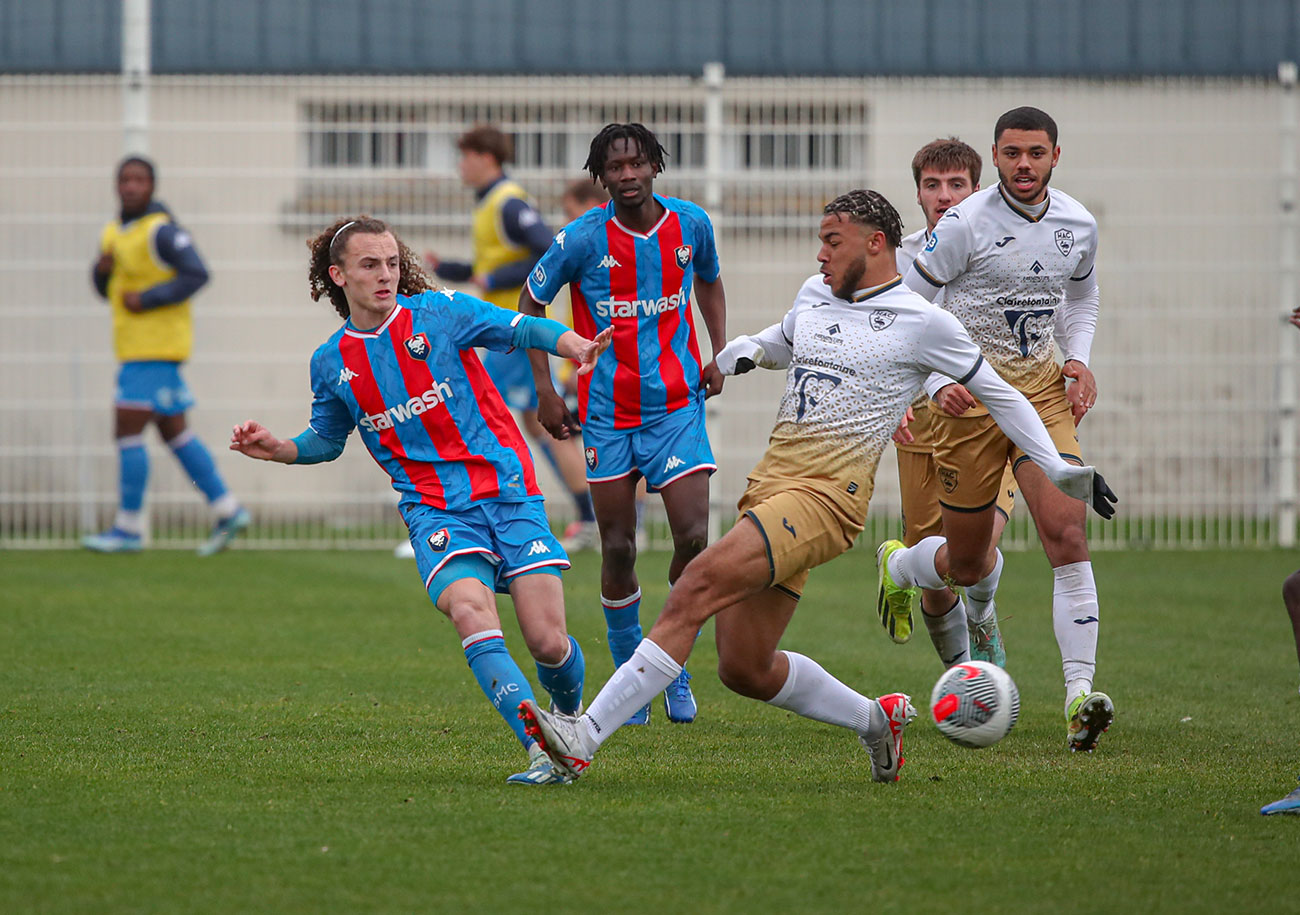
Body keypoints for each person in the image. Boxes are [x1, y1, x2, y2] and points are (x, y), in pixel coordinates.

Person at [516, 190, 1116, 783]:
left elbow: (1004, 396)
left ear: (876, 244)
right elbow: (783, 339)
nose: (821, 255)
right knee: (744, 667)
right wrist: (733, 356)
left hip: (827, 499)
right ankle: (875, 721)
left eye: (833, 241)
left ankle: (583, 736)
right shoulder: (815, 295)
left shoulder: (924, 322)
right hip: (771, 489)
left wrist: (1058, 467)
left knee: (695, 583)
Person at [229, 216, 611, 785]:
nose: (385, 275)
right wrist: (280, 448)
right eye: (368, 265)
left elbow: (520, 327)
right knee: (469, 611)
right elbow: (327, 439)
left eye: (390, 262)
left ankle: (567, 722)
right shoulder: (332, 363)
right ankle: (538, 748)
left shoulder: (438, 313)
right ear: (338, 277)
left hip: (506, 490)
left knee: (548, 641)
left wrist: (572, 342)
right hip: (434, 509)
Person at [887, 106, 1114, 752]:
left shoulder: (1078, 224)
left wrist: (1079, 359)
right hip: (970, 404)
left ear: (1055, 157)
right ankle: (902, 566)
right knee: (964, 563)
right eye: (1012, 153)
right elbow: (907, 307)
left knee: (1067, 528)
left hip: (1040, 395)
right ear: (996, 155)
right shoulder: (963, 226)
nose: (1023, 165)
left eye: (1035, 154)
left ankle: (1079, 696)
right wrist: (933, 384)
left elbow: (1082, 295)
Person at [517, 124, 728, 725]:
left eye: (637, 163)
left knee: (692, 535)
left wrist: (716, 350)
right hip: (606, 416)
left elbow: (709, 280)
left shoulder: (690, 225)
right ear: (601, 177)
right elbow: (531, 307)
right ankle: (628, 671)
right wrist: (544, 390)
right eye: (615, 168)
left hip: (675, 406)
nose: (628, 175)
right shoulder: (580, 240)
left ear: (655, 166)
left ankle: (672, 662)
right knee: (618, 544)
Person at [424, 125, 598, 554]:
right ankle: (592, 517)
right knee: (541, 428)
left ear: (487, 158)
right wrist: (454, 270)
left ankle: (453, 522)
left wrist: (492, 277)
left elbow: (546, 251)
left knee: (470, 415)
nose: (460, 166)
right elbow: (495, 264)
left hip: (515, 331)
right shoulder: (489, 205)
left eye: (465, 156)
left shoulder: (509, 202)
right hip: (504, 331)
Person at [886, 137, 1015, 668]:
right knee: (937, 577)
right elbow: (884, 338)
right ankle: (963, 678)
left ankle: (982, 631)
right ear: (917, 193)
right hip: (923, 423)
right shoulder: (897, 259)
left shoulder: (1004, 247)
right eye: (932, 185)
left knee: (977, 552)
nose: (943, 195)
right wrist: (893, 398)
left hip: (990, 419)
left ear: (975, 189)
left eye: (956, 184)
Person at [84, 155, 249, 555]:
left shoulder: (161, 231)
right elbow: (106, 291)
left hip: (154, 348)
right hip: (136, 348)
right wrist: (101, 272)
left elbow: (197, 273)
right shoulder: (114, 232)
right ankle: (228, 509)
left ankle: (128, 528)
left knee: (126, 430)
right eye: (125, 179)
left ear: (152, 186)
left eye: (139, 179)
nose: (131, 186)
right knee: (174, 431)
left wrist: (150, 298)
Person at [560, 179, 651, 551]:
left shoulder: (621, 248)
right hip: (593, 364)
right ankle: (605, 521)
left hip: (615, 368)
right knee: (600, 439)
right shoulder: (578, 250)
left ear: (592, 206)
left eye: (570, 213)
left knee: (629, 439)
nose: (567, 222)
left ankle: (622, 525)